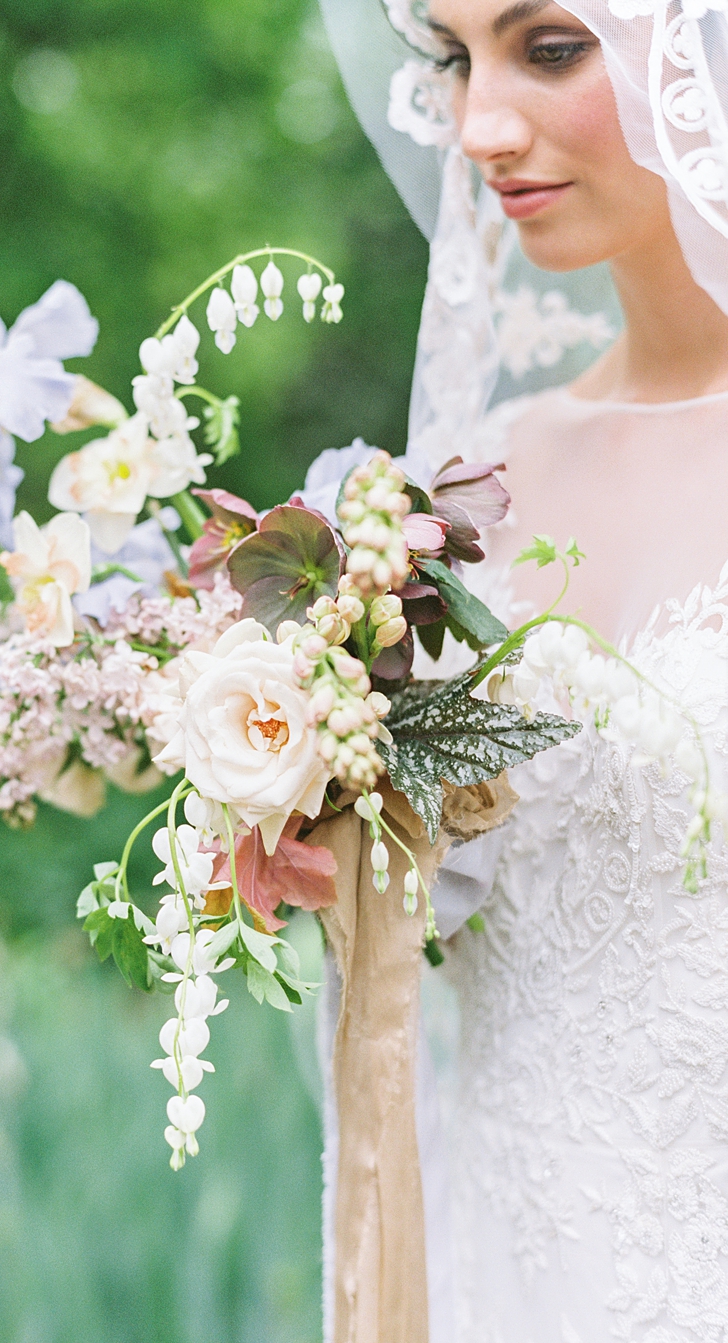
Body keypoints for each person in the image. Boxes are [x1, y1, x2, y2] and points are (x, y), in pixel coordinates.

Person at [319, 2, 728, 1340]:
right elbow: (445, 914)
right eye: (452, 58)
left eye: (547, 45)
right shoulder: (469, 488)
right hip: (506, 1259)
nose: (479, 125)